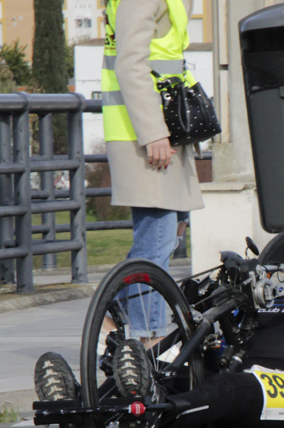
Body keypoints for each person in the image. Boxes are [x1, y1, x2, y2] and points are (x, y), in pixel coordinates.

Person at [35, 189, 284, 428]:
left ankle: (146, 413)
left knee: (228, 390)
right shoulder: (270, 291)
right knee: (168, 371)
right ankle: (82, 410)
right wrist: (206, 298)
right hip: (244, 372)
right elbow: (221, 342)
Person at [102, 0, 203, 335]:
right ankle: (147, 337)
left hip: (166, 128)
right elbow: (130, 63)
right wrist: (154, 132)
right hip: (146, 133)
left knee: (170, 232)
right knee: (156, 239)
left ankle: (112, 314)